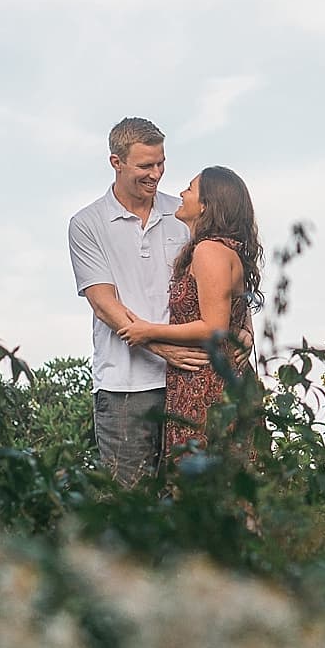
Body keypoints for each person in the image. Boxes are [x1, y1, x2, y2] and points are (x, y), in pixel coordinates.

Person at [66, 118, 210, 487]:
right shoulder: (87, 223)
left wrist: (241, 330)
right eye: (146, 165)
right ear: (116, 162)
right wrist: (166, 350)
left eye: (161, 163)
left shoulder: (183, 214)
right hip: (123, 387)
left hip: (189, 379)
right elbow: (104, 304)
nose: (157, 174)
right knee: (127, 500)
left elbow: (221, 278)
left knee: (190, 498)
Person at [115, 165, 262, 461]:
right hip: (203, 381)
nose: (182, 193)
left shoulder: (209, 251)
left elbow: (214, 327)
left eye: (190, 189)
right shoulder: (216, 249)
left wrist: (149, 331)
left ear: (207, 205)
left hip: (208, 386)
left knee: (207, 484)